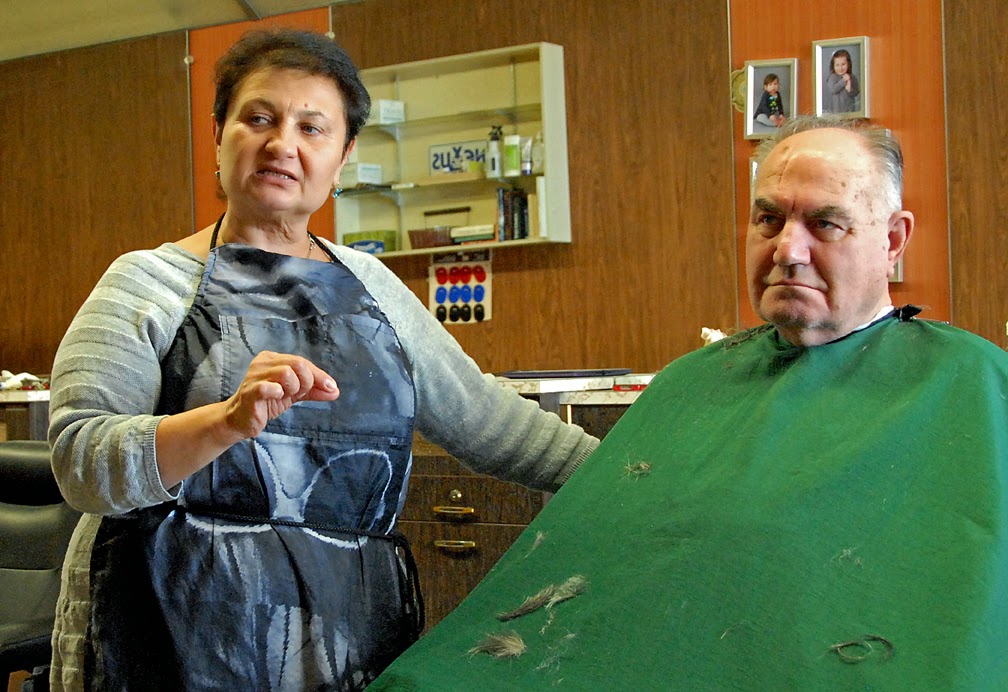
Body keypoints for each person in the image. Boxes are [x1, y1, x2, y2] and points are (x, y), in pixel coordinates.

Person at [369, 115, 1008, 689]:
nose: (788, 249)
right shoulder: (692, 383)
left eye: (825, 223)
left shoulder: (970, 384)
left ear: (894, 241)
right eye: (769, 220)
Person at [46, 28, 598, 691]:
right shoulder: (149, 283)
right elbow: (82, 464)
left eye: (313, 128)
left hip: (345, 633)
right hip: (165, 630)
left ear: (343, 158)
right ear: (220, 134)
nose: (282, 144)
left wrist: (648, 479)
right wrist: (225, 421)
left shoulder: (376, 290)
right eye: (259, 118)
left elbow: (493, 425)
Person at [825, 48, 860, 113]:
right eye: (837, 65)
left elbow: (856, 92)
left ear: (848, 64)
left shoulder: (852, 77)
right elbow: (833, 89)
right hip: (836, 112)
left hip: (850, 111)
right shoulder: (832, 77)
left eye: (843, 64)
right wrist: (843, 81)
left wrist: (850, 89)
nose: (840, 68)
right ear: (833, 66)